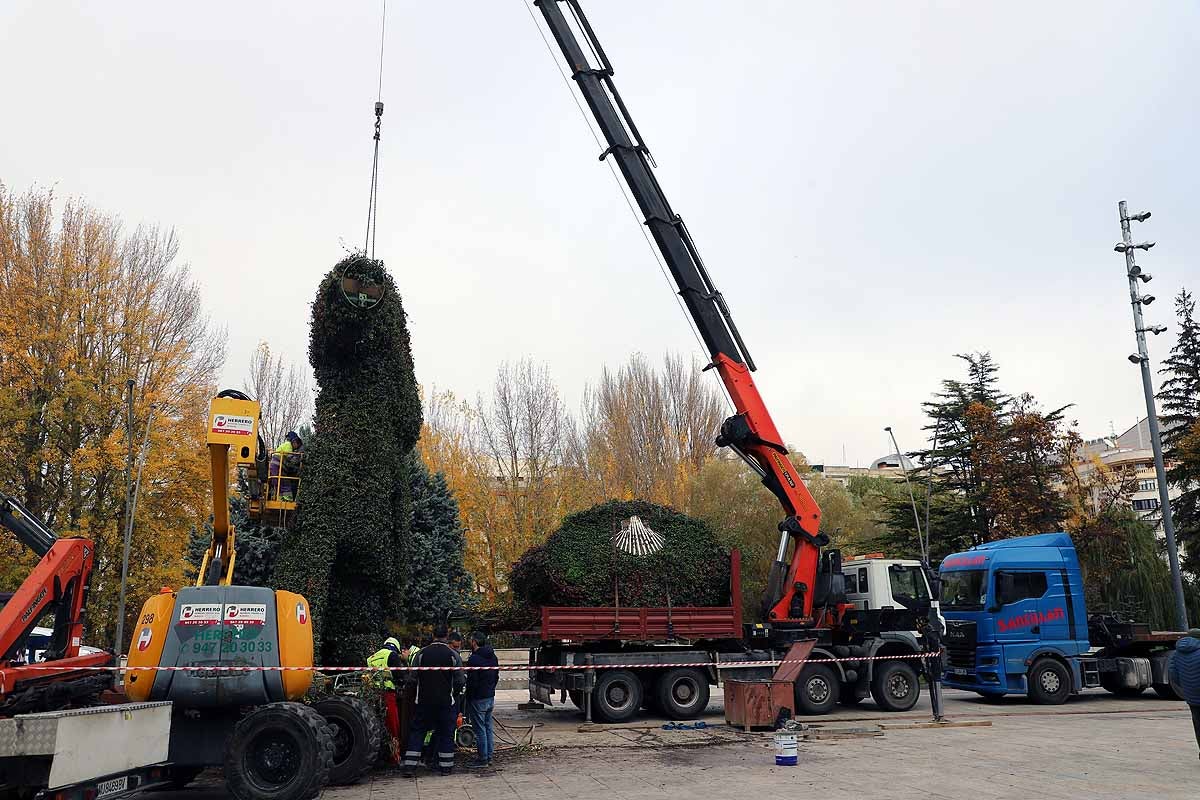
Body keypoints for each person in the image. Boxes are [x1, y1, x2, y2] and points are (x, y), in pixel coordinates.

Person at [402, 624, 465, 777]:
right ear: (446, 636)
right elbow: (460, 680)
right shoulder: (453, 655)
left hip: (424, 701)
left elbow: (412, 678)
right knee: (446, 732)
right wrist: (454, 694)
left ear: (433, 635)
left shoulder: (421, 654)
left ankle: (410, 767)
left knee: (418, 731)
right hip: (445, 702)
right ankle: (446, 768)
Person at [366, 636, 406, 763]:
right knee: (392, 725)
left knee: (377, 724)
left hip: (373, 695)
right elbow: (399, 675)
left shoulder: (371, 658)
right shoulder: (392, 655)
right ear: (396, 647)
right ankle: (394, 756)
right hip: (388, 695)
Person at [465, 631, 499, 768]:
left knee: (480, 730)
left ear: (474, 642)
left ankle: (483, 759)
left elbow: (472, 682)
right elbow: (496, 675)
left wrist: (469, 696)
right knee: (488, 728)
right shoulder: (493, 656)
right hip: (490, 696)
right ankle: (489, 756)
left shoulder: (474, 659)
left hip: (478, 698)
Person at [1169, 627, 1200, 758]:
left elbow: (1174, 675)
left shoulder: (1176, 653)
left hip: (1191, 695)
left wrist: (1187, 687)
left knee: (1198, 725)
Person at [268, 431, 303, 501]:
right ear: (293, 441)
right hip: (277, 467)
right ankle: (288, 499)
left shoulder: (285, 445)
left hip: (276, 467)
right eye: (297, 443)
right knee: (285, 484)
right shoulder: (288, 445)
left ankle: (280, 499)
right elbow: (291, 460)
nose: (297, 446)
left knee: (279, 484)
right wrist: (300, 458)